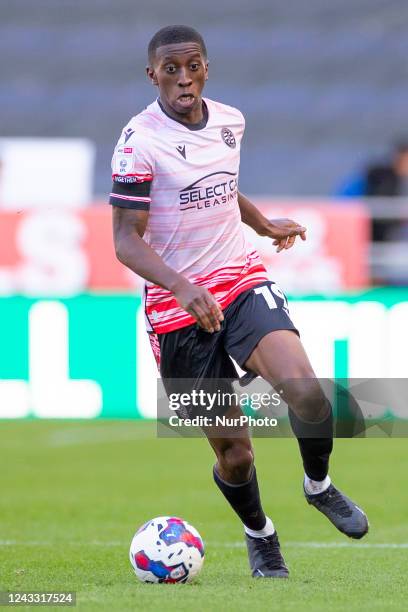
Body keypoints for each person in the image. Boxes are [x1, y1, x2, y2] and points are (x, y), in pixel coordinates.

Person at [110, 25, 368, 579]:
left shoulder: (230, 121)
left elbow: (220, 186)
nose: (184, 79)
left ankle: (317, 485)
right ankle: (261, 535)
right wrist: (182, 286)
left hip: (239, 278)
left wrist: (261, 221)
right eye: (171, 69)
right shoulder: (138, 141)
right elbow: (125, 239)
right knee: (236, 454)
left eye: (193, 66)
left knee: (307, 392)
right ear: (152, 74)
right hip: (177, 309)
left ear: (207, 67)